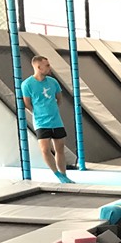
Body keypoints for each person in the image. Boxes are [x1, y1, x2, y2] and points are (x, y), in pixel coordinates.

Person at [21, 55, 72, 183]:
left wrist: (52, 109)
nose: (50, 68)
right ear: (39, 67)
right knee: (45, 150)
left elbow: (59, 98)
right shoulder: (27, 84)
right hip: (41, 122)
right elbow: (27, 103)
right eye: (47, 65)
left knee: (60, 149)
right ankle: (57, 174)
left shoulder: (53, 82)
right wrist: (39, 112)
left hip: (56, 121)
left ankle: (63, 174)